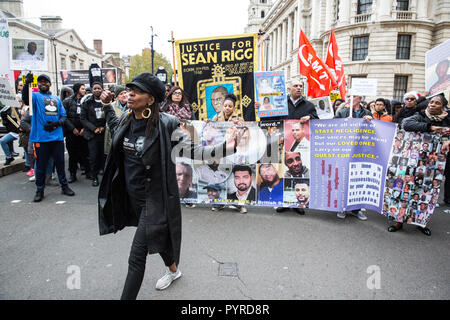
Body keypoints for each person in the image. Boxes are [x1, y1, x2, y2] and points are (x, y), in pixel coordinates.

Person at [98, 72, 239, 300]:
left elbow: (194, 151)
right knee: (158, 237)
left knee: (136, 256)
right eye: (129, 89)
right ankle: (174, 270)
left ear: (150, 99)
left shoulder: (167, 124)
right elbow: (115, 130)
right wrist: (106, 107)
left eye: (137, 91)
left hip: (154, 200)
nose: (130, 94)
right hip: (130, 196)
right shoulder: (126, 119)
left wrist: (226, 148)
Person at [390, 94, 450, 236]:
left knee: (426, 193)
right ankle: (399, 221)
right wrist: (431, 127)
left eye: (436, 103)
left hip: (434, 165)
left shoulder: (448, 119)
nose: (432, 105)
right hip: (413, 161)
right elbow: (406, 124)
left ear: (443, 106)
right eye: (431, 102)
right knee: (406, 190)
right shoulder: (421, 115)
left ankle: (421, 222)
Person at [21, 74, 75, 202]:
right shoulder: (35, 97)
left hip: (57, 138)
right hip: (41, 139)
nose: (43, 83)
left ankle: (64, 186)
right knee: (41, 166)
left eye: (46, 81)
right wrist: (27, 85)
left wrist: (56, 123)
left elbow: (63, 116)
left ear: (50, 84)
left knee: (60, 164)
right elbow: (25, 98)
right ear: (38, 84)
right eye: (40, 82)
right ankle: (40, 190)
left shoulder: (56, 99)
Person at [63, 83, 91, 182]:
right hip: (72, 132)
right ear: (77, 89)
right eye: (82, 89)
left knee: (85, 153)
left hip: (83, 131)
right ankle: (72, 174)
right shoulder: (67, 101)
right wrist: (72, 129)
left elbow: (89, 116)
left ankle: (88, 172)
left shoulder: (87, 101)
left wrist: (84, 128)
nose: (84, 90)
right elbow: (64, 117)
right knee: (72, 155)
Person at [81, 82, 106, 187]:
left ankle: (105, 177)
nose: (97, 90)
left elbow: (110, 115)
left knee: (103, 156)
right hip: (92, 134)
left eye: (99, 88)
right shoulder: (87, 103)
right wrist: (93, 128)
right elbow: (83, 118)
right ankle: (94, 177)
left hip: (104, 133)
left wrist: (103, 127)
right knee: (93, 156)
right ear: (92, 90)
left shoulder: (106, 101)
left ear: (102, 90)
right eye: (95, 88)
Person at [104, 85, 128, 155]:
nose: (124, 95)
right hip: (114, 137)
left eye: (125, 92)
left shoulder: (131, 105)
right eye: (121, 94)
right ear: (116, 97)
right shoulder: (111, 106)